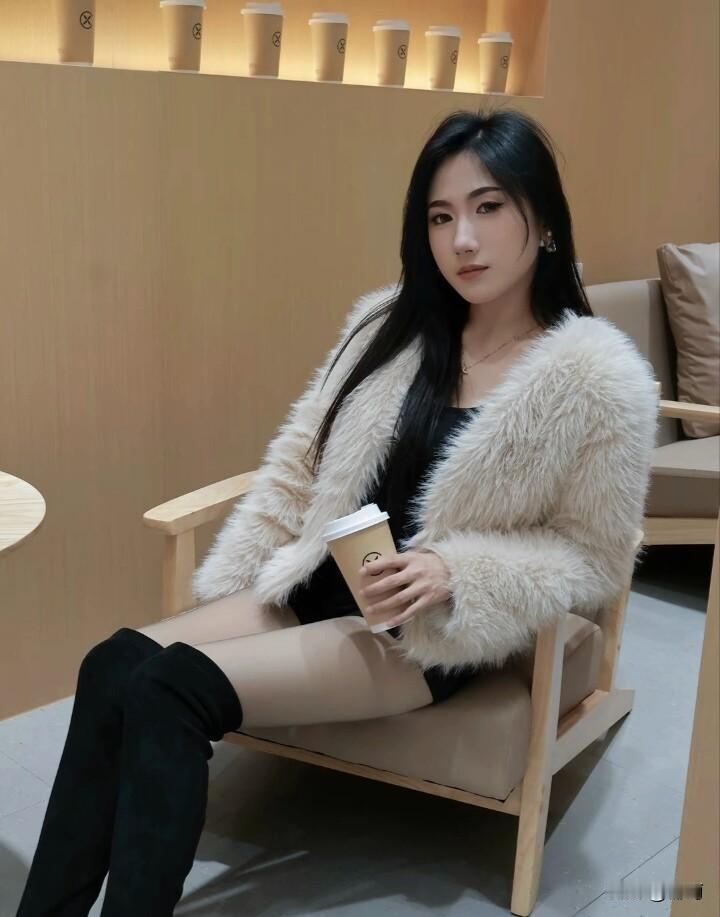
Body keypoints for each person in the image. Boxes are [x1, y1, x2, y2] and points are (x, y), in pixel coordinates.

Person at [16, 107, 658, 915]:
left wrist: (456, 571)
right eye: (440, 216)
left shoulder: (598, 381)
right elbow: (299, 466)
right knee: (111, 663)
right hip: (316, 583)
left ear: (546, 221)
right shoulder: (387, 327)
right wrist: (251, 566)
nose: (463, 239)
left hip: (422, 634)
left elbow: (594, 556)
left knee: (171, 689)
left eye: (489, 207)